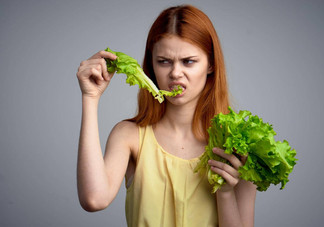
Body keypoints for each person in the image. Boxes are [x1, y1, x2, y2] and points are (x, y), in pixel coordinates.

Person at [76, 4, 256, 227]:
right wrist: (90, 98)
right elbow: (94, 199)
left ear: (210, 64)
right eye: (164, 62)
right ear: (150, 66)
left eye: (188, 61)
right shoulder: (129, 136)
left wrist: (225, 192)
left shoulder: (238, 146)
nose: (175, 74)